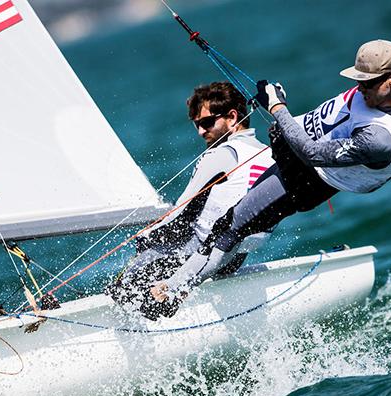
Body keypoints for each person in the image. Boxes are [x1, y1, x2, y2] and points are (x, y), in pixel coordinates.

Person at [151, 39, 391, 308]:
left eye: (367, 83)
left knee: (229, 227)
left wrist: (278, 107)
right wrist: (278, 108)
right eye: (358, 80)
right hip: (294, 154)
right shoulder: (386, 93)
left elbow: (313, 153)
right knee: (237, 222)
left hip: (306, 180)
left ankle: (172, 291)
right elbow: (327, 122)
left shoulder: (382, 139)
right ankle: (216, 269)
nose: (360, 88)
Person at [106, 81, 275, 320]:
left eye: (206, 123)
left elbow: (180, 212)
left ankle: (133, 314)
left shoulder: (222, 153)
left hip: (201, 252)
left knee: (136, 267)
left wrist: (144, 238)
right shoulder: (269, 154)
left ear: (232, 117)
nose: (200, 132)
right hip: (235, 256)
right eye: (196, 125)